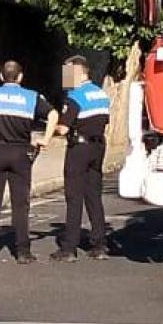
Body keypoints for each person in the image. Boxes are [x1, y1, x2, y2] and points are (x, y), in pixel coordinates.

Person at [0, 60, 57, 264]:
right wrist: (46, 139)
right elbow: (53, 114)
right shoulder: (31, 97)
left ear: (1, 77)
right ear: (20, 77)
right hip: (20, 153)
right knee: (20, 204)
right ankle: (23, 252)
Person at [53, 55, 113, 262]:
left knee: (74, 197)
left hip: (79, 148)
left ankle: (69, 248)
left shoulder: (75, 96)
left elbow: (63, 128)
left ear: (79, 73)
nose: (65, 78)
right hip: (98, 147)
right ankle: (99, 245)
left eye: (68, 73)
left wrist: (49, 130)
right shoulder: (100, 94)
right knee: (94, 196)